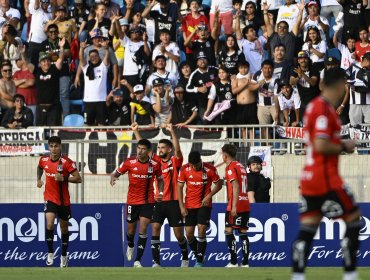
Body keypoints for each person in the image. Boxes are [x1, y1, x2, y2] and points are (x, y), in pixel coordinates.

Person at [291, 67, 361, 280]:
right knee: (353, 219)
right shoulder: (324, 109)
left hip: (310, 177)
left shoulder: (313, 107)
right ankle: (350, 274)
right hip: (326, 177)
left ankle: (298, 275)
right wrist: (344, 144)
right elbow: (321, 145)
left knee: (309, 226)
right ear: (340, 84)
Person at [131, 123, 190, 268]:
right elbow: (144, 151)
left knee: (179, 235)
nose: (160, 150)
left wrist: (172, 133)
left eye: (163, 147)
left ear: (169, 149)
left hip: (174, 202)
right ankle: (156, 262)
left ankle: (185, 257)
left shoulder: (175, 161)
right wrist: (136, 131)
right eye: (159, 148)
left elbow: (178, 150)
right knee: (155, 227)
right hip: (158, 202)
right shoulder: (155, 162)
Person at [110, 138, 164, 268]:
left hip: (148, 201)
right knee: (130, 230)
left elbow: (160, 179)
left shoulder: (155, 165)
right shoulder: (129, 162)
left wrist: (160, 192)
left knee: (144, 227)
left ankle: (137, 260)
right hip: (132, 202)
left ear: (149, 151)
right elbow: (116, 173)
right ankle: (130, 244)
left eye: (143, 149)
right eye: (138, 148)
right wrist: (113, 178)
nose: (140, 151)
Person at [37, 136, 82, 268]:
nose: (53, 149)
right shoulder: (44, 159)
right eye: (51, 146)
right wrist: (38, 179)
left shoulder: (67, 162)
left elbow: (78, 178)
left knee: (64, 228)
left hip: (64, 201)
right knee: (50, 224)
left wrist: (64, 178)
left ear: (60, 147)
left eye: (56, 146)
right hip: (50, 198)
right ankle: (50, 253)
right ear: (48, 147)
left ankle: (63, 255)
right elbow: (40, 167)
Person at [178, 151, 223, 267]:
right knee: (189, 234)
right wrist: (181, 207)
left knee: (201, 229)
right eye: (191, 165)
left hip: (204, 205)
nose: (193, 167)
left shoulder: (210, 169)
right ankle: (200, 256)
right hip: (189, 205)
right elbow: (179, 188)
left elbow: (219, 184)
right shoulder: (184, 169)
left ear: (200, 161)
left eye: (196, 165)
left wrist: (209, 196)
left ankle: (198, 262)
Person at [221, 144, 251, 268]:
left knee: (228, 231)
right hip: (245, 202)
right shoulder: (241, 166)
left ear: (225, 155)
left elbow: (236, 186)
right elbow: (241, 184)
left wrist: (233, 207)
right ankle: (245, 263)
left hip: (236, 204)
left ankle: (233, 262)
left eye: (222, 154)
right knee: (243, 232)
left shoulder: (230, 167)